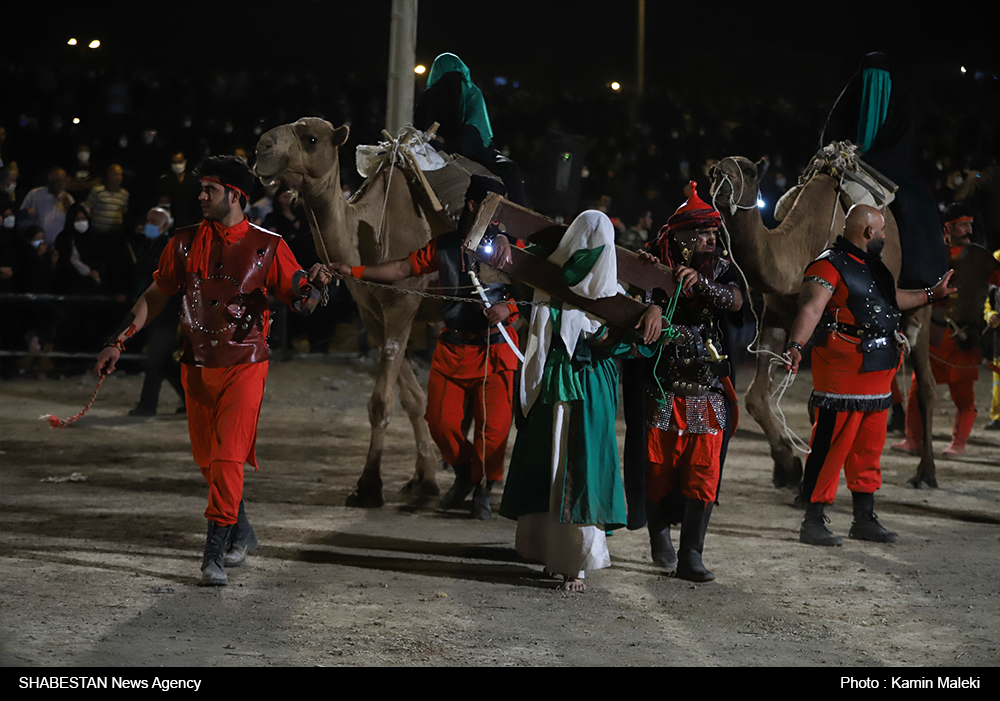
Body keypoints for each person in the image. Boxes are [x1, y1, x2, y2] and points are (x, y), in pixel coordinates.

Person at [95, 156, 332, 586]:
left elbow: (303, 301)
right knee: (209, 461)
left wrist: (314, 286)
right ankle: (241, 529)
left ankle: (214, 553)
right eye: (201, 189)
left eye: (210, 190)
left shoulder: (268, 245)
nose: (200, 196)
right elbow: (157, 291)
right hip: (197, 365)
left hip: (246, 366)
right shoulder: (183, 241)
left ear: (236, 196)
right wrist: (118, 339)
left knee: (226, 457)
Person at [329, 176, 517, 519]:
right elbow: (404, 267)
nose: (501, 214)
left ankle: (481, 490)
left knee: (493, 429)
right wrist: (355, 270)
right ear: (474, 206)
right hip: (455, 348)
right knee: (440, 422)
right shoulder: (444, 246)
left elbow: (528, 289)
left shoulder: (507, 246)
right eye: (495, 206)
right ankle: (463, 473)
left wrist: (509, 309)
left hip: (496, 349)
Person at [498, 210, 663, 592]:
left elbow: (649, 325)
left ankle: (578, 564)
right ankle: (549, 553)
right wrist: (503, 244)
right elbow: (513, 273)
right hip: (553, 382)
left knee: (583, 467)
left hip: (589, 387)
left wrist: (653, 306)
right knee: (550, 465)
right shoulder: (546, 279)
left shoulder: (616, 294)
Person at [785, 205, 955, 546]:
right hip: (841, 371)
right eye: (880, 232)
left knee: (868, 448)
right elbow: (812, 307)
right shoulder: (827, 264)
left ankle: (863, 518)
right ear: (867, 232)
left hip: (878, 370)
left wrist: (931, 295)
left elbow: (892, 302)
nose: (884, 237)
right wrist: (795, 344)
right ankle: (813, 519)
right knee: (830, 445)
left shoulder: (873, 266)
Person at [637, 183, 746, 582]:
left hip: (707, 392)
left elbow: (735, 301)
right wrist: (653, 304)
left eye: (714, 235)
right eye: (703, 235)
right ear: (683, 239)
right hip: (664, 391)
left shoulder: (721, 269)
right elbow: (641, 294)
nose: (710, 242)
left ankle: (692, 554)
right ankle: (659, 534)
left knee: (704, 473)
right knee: (659, 471)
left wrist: (701, 286)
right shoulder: (652, 266)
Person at [893, 204, 997, 456]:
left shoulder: (981, 257)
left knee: (963, 395)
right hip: (933, 335)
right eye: (962, 224)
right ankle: (913, 440)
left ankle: (958, 443)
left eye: (970, 224)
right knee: (919, 388)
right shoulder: (930, 254)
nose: (968, 230)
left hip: (964, 337)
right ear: (946, 228)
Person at [413, 53, 527, 206]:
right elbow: (475, 128)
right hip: (468, 150)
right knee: (511, 170)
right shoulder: (472, 93)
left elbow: (419, 128)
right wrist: (453, 145)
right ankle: (520, 214)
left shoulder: (428, 96)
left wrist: (442, 144)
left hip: (434, 148)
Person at [126, 207, 185, 417]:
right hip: (154, 311)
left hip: (165, 313)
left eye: (153, 221)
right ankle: (195, 402)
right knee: (165, 362)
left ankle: (147, 405)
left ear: (164, 226)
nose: (148, 224)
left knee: (154, 360)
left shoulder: (169, 248)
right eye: (148, 219)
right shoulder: (150, 245)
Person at [20, 168, 74, 244]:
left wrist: (69, 209)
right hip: (39, 244)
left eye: (63, 180)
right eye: (57, 180)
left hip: (61, 245)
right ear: (50, 179)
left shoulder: (68, 198)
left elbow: (74, 221)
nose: (60, 183)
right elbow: (22, 218)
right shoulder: (35, 195)